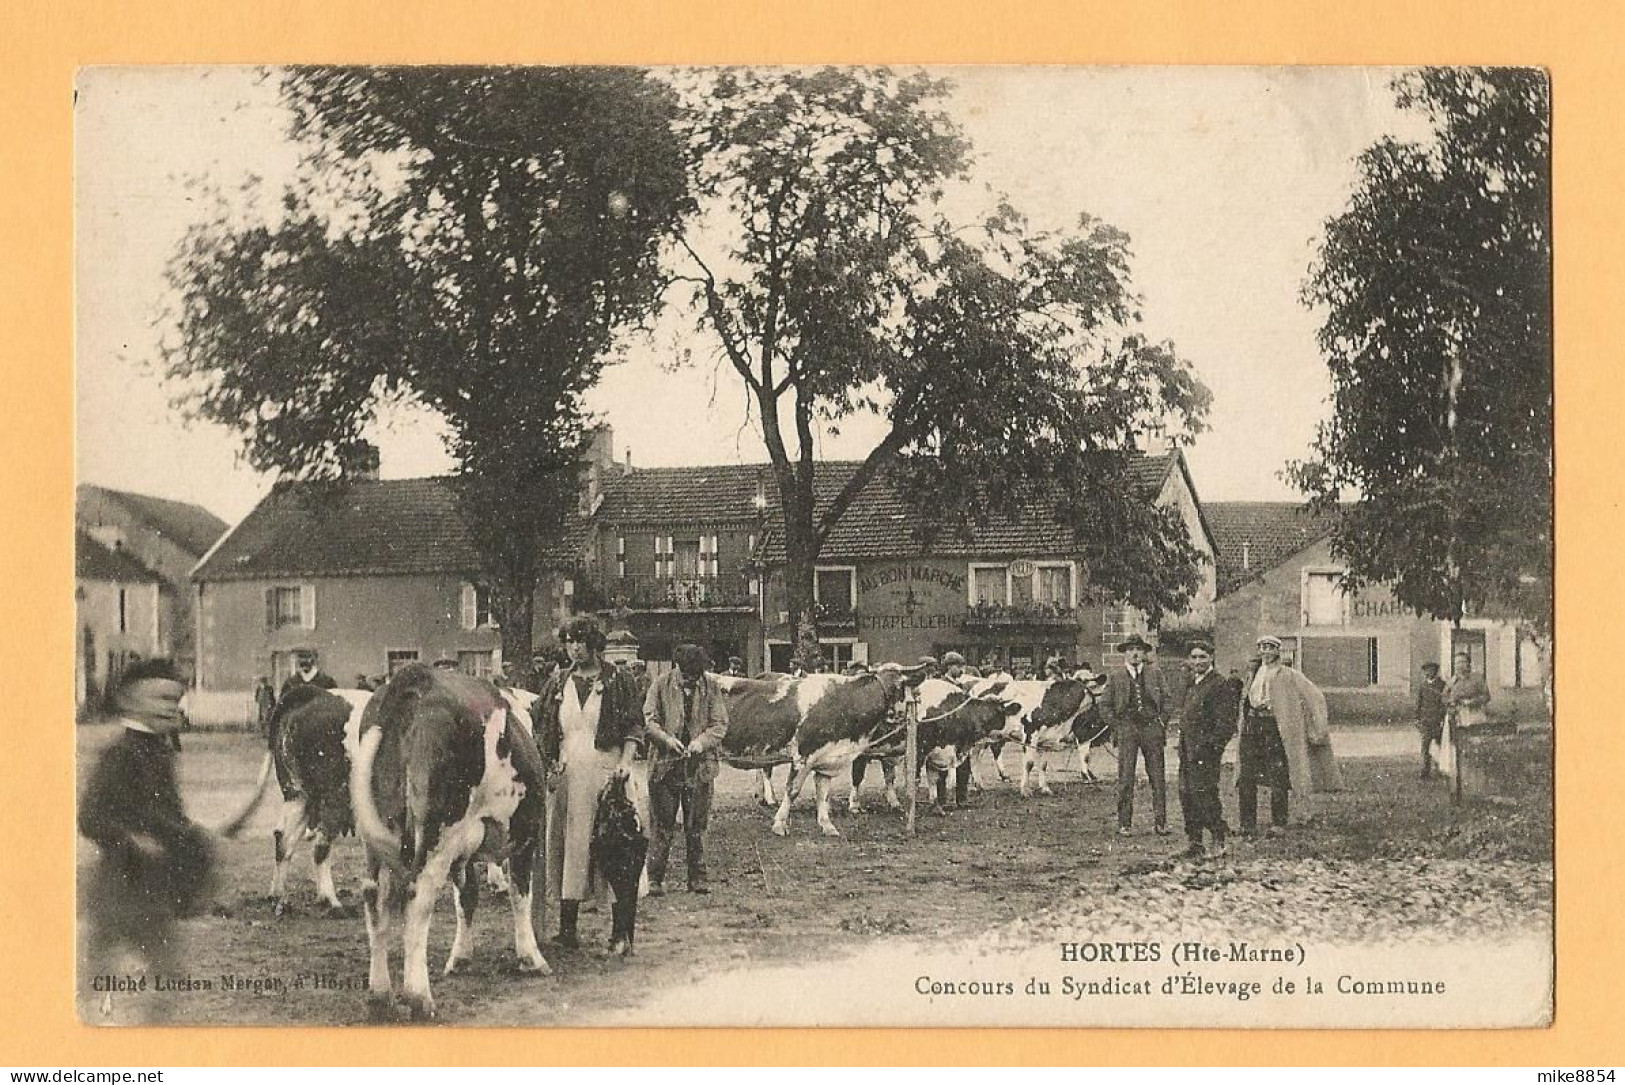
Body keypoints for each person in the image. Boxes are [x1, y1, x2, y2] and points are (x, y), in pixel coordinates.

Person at [78, 658, 216, 1022]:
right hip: (117, 889)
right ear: (131, 701)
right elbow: (90, 818)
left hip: (152, 891)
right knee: (97, 985)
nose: (172, 707)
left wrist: (193, 841)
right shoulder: (120, 754)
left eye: (175, 700)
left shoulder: (160, 752)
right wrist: (132, 839)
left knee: (169, 981)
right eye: (161, 699)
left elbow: (169, 819)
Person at [534, 616, 645, 950]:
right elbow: (543, 726)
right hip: (569, 777)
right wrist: (550, 763)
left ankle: (619, 932)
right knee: (571, 847)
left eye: (580, 641)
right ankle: (568, 929)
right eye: (569, 641)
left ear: (595, 644)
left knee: (613, 848)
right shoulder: (558, 683)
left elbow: (634, 726)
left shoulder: (618, 680)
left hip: (607, 774)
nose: (574, 648)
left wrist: (626, 762)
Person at [642, 643, 730, 895]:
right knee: (661, 824)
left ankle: (697, 878)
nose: (692, 679)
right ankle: (655, 878)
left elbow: (720, 723)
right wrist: (667, 740)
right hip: (665, 767)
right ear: (677, 668)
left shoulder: (711, 687)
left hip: (699, 767)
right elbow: (649, 720)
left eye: (697, 674)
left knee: (697, 824)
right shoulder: (660, 685)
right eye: (687, 675)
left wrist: (700, 743)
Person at [1238, 635, 1344, 835]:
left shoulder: (1288, 674)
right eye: (1262, 647)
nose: (1266, 651)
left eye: (1270, 647)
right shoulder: (1253, 673)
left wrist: (1316, 725)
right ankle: (1247, 824)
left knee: (1277, 773)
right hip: (1253, 725)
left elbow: (1314, 696)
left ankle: (1279, 822)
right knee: (1246, 774)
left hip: (1274, 726)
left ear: (1278, 651)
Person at [1101, 635, 1174, 836]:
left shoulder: (1155, 673)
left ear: (1144, 653)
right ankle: (1125, 823)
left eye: (1139, 649)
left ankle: (1161, 823)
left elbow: (1167, 699)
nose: (1135, 653)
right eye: (1131, 649)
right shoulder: (1116, 676)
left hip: (1151, 729)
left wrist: (1161, 722)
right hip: (1127, 730)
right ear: (1125, 653)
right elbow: (1105, 705)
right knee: (1126, 777)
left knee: (1157, 777)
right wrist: (1117, 726)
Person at [1175, 642, 1239, 858]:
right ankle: (1195, 843)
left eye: (1202, 657)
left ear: (1211, 657)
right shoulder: (1192, 683)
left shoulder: (1219, 684)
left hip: (1205, 752)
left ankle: (1219, 840)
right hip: (1187, 750)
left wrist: (1210, 747)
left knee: (1205, 794)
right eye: (1193, 657)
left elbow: (1226, 725)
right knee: (1187, 795)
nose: (1197, 662)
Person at [1416, 662, 1448, 779]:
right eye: (1426, 670)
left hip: (1438, 721)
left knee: (1440, 746)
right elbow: (1418, 703)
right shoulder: (1423, 686)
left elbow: (1443, 704)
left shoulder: (1442, 685)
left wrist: (1442, 719)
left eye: (1431, 670)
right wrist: (1417, 718)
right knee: (1425, 747)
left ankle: (1440, 769)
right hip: (1425, 721)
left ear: (1436, 671)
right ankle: (1425, 771)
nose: (1429, 672)